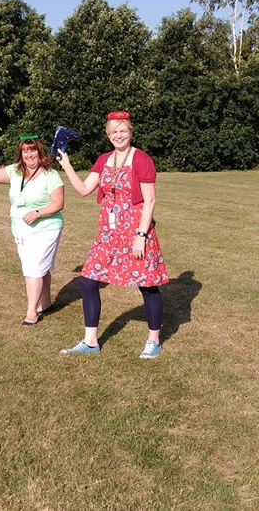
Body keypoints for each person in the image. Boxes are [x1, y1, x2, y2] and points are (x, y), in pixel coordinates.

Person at [57, 111, 168, 358]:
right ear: (108, 135)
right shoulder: (104, 160)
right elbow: (85, 189)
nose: (119, 135)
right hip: (109, 233)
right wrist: (66, 164)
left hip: (136, 229)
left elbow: (149, 201)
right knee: (87, 280)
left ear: (130, 132)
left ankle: (154, 340)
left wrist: (141, 235)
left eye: (123, 130)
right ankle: (90, 342)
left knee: (147, 284)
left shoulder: (141, 159)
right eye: (114, 131)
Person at [0, 135, 65, 325]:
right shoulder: (15, 171)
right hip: (21, 230)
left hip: (46, 228)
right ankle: (47, 303)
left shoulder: (51, 175)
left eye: (32, 150)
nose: (29, 154)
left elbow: (58, 203)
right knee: (40, 267)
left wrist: (38, 213)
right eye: (25, 151)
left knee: (33, 268)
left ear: (40, 151)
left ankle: (32, 312)